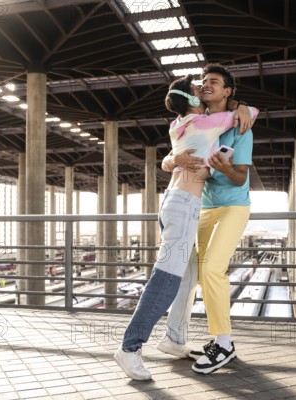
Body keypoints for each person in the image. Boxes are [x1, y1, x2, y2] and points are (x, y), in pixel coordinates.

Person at [114, 74, 257, 381]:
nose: (202, 89)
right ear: (192, 101)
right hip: (185, 206)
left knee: (187, 275)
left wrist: (171, 161)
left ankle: (174, 339)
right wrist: (242, 106)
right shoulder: (206, 124)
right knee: (165, 281)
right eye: (197, 89)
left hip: (176, 202)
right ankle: (129, 348)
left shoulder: (177, 124)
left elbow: (172, 159)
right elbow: (251, 114)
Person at [157, 63, 254, 375]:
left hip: (232, 207)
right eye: (202, 82)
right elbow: (169, 157)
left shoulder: (240, 126)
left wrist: (222, 167)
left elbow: (240, 178)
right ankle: (175, 338)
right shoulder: (197, 121)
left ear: (227, 91)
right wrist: (171, 159)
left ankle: (223, 343)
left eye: (213, 81)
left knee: (212, 268)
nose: (205, 85)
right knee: (188, 271)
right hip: (202, 207)